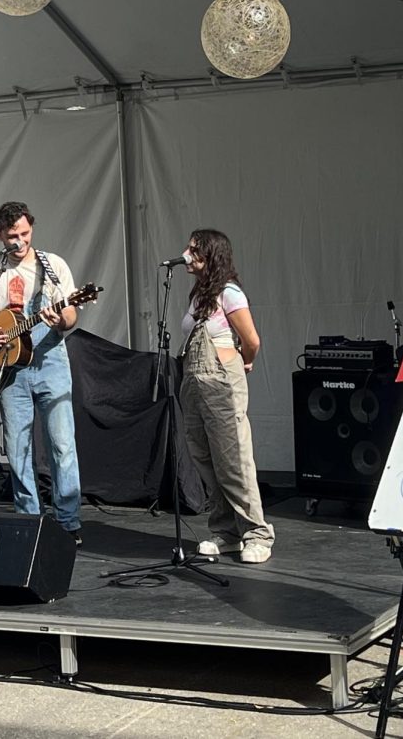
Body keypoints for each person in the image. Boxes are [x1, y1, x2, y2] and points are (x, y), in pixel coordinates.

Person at [0, 201, 84, 545]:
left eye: (25, 233)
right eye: (12, 236)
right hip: (9, 367)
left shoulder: (52, 266)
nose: (20, 241)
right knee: (18, 447)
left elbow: (71, 315)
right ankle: (28, 520)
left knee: (62, 444)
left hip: (51, 359)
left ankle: (68, 522)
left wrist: (62, 319)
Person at [177, 229, 273, 563]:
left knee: (232, 458)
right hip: (193, 380)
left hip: (220, 380)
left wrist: (245, 360)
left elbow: (252, 339)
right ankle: (226, 531)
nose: (187, 253)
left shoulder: (229, 292)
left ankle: (257, 533)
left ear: (211, 254)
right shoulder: (198, 293)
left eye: (194, 248)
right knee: (203, 456)